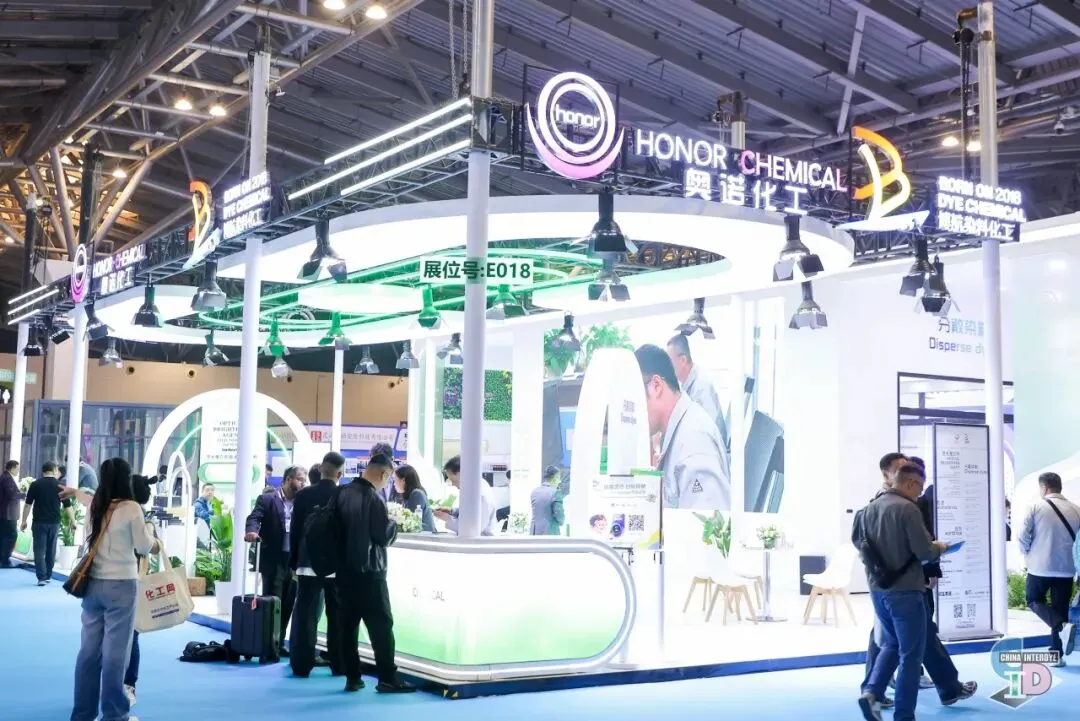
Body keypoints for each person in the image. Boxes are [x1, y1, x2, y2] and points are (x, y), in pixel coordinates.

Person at [69, 458, 157, 721]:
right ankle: (115, 714)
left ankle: (83, 714)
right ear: (126, 479)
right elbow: (143, 546)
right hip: (122, 586)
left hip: (92, 584)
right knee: (116, 654)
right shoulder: (131, 508)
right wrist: (151, 533)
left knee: (88, 652)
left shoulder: (95, 505)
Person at [857, 463, 946, 721]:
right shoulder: (908, 509)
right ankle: (904, 714)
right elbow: (924, 551)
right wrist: (940, 547)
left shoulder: (869, 508)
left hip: (878, 588)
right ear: (909, 483)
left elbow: (860, 545)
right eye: (920, 487)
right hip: (906, 590)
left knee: (892, 643)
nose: (920, 493)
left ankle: (871, 693)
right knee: (911, 654)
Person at [335, 453, 414, 693]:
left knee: (347, 627)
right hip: (371, 572)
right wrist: (394, 524)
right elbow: (382, 536)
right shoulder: (373, 499)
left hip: (344, 571)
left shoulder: (341, 493)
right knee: (381, 626)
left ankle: (352, 677)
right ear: (383, 473)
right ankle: (388, 677)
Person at [636, 344, 729, 510]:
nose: (633, 413)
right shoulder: (678, 428)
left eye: (634, 399)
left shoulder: (694, 442)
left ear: (656, 386)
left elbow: (708, 521)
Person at [289, 452, 346, 678]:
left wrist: (294, 561)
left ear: (321, 468)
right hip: (336, 565)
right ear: (339, 474)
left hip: (308, 562)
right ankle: (339, 664)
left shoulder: (304, 495)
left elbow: (295, 531)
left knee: (305, 614)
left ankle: (301, 664)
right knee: (338, 615)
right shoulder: (343, 494)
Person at [244, 465, 308, 654]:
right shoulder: (267, 499)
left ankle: (279, 642)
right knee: (272, 601)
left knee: (288, 603)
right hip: (273, 559)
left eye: (304, 480)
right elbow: (254, 517)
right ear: (288, 479)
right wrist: (251, 531)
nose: (303, 484)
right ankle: (268, 644)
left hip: (294, 560)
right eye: (300, 479)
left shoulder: (303, 502)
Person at [1019, 471, 1080, 664]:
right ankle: (1056, 655)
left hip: (1040, 567)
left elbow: (1023, 535)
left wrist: (1027, 552)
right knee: (1059, 608)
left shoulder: (1035, 506)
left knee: (1033, 599)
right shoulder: (1076, 509)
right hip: (1067, 568)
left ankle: (1061, 627)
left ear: (1044, 488)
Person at [667, 333, 730, 454]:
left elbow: (706, 435)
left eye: (669, 362)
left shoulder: (701, 387)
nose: (667, 367)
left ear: (683, 360)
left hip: (710, 454)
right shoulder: (688, 384)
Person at [20, 461, 72, 585]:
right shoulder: (60, 486)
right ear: (54, 470)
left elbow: (27, 504)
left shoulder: (35, 484)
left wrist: (23, 521)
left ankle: (41, 577)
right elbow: (68, 506)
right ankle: (48, 575)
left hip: (39, 522)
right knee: (51, 549)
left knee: (39, 550)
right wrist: (73, 521)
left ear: (42, 471)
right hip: (54, 522)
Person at [435, 455, 498, 535]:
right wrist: (452, 511)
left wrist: (448, 519)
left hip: (481, 539)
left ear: (463, 474)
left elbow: (473, 529)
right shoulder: (475, 487)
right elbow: (470, 513)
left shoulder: (480, 493)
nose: (453, 485)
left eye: (454, 481)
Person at [392, 464, 436, 533]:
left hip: (425, 536)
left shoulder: (417, 494)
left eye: (395, 480)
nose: (394, 484)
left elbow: (410, 521)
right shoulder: (410, 495)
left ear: (403, 480)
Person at [530, 465, 565, 536]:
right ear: (555, 478)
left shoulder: (534, 492)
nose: (560, 481)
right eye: (559, 478)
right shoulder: (555, 492)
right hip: (550, 533)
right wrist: (561, 521)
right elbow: (559, 515)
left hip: (534, 532)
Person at [0, 460, 21, 568]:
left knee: (3, 536)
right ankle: (5, 560)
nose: (18, 471)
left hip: (4, 513)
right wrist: (25, 494)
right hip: (8, 514)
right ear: (12, 468)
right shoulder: (7, 479)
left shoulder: (3, 477)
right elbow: (12, 495)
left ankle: (2, 559)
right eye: (17, 468)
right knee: (10, 536)